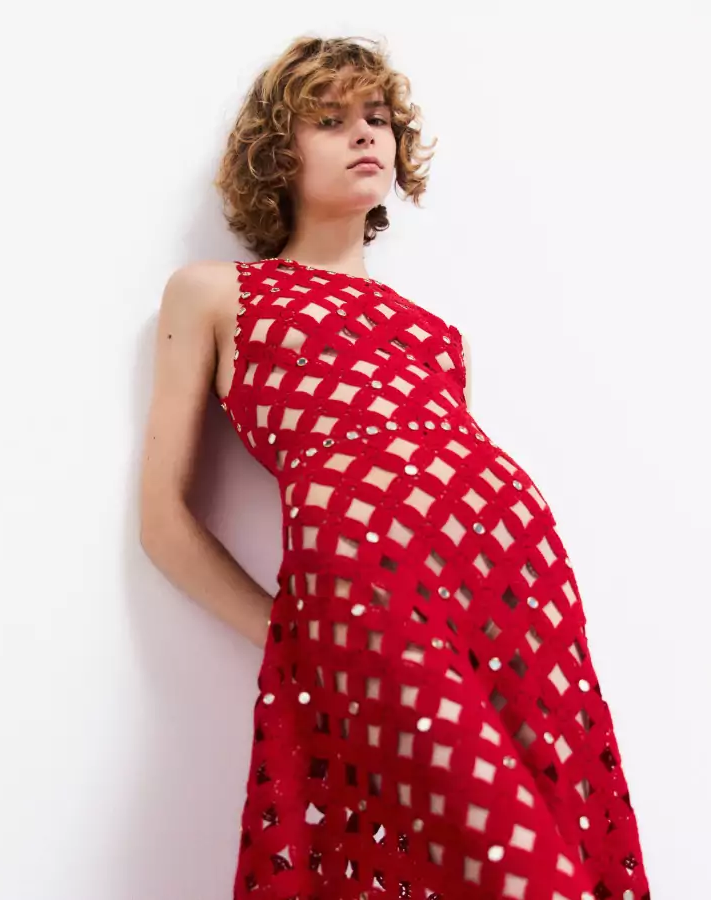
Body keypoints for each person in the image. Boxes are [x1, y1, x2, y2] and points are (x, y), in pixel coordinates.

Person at [139, 34, 651, 900]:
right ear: (276, 152)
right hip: (367, 600)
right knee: (518, 865)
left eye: (377, 118)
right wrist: (294, 637)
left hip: (512, 599)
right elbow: (162, 521)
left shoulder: (437, 335)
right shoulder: (216, 291)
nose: (364, 134)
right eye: (330, 119)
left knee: (555, 835)